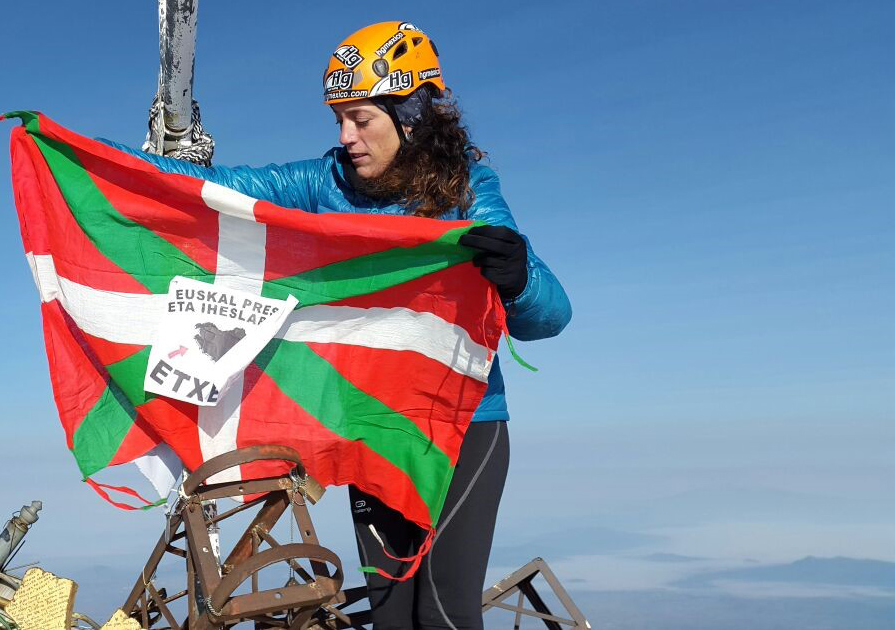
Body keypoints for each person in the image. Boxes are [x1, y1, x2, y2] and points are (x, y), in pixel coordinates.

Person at [113, 20, 571, 630]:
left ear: (412, 116)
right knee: (390, 618)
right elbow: (228, 193)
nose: (346, 136)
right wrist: (127, 162)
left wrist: (516, 277)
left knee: (442, 613)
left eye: (361, 118)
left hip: (461, 429)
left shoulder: (467, 189)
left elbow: (550, 316)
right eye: (339, 119)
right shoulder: (320, 182)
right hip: (368, 424)